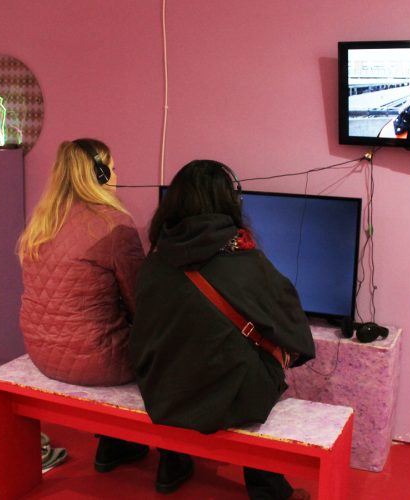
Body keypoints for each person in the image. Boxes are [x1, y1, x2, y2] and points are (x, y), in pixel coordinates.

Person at [129, 159, 316, 499]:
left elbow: (144, 333)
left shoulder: (153, 262)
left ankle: (171, 466)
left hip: (163, 392)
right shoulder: (247, 262)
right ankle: (267, 489)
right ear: (232, 202)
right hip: (233, 400)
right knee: (260, 365)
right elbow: (294, 329)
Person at [17, 139, 149, 474]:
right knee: (162, 338)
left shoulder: (41, 221)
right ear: (100, 175)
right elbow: (143, 305)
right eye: (113, 168)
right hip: (99, 362)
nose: (117, 175)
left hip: (41, 352)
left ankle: (113, 443)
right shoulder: (114, 224)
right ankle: (171, 454)